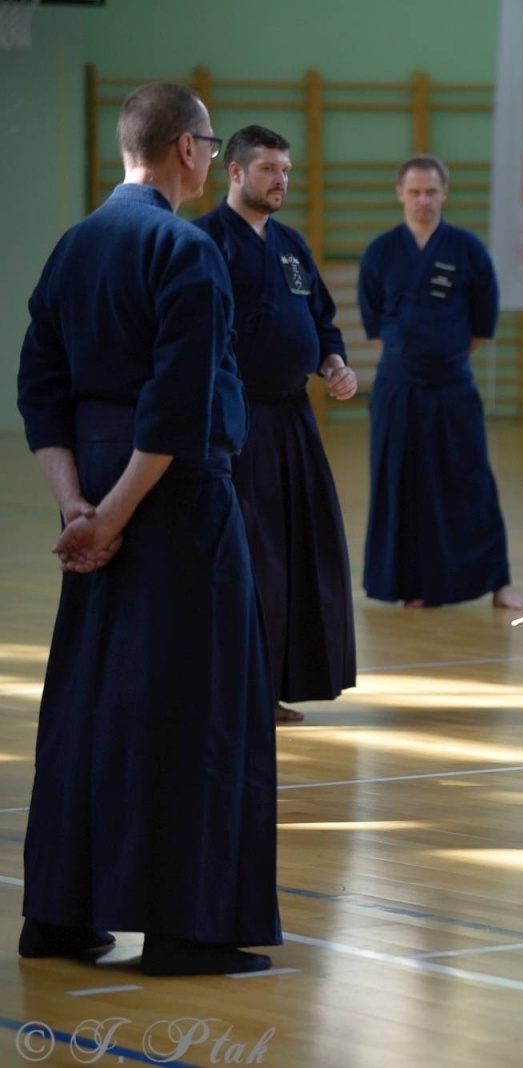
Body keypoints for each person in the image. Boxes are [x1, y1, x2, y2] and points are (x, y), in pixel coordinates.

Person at [15, 83, 280, 974]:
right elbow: (173, 415)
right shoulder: (186, 251)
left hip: (93, 504)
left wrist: (77, 510)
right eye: (206, 143)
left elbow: (40, 390)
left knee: (89, 705)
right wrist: (113, 519)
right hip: (175, 513)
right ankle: (185, 930)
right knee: (198, 713)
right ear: (190, 151)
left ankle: (59, 916)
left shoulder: (73, 245)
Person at [195, 125, 358, 725]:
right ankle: (235, 691)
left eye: (285, 169)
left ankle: (275, 684)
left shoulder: (291, 245)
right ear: (234, 172)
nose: (280, 179)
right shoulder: (205, 242)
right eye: (267, 169)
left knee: (298, 553)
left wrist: (333, 363)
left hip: (295, 422)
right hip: (236, 425)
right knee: (249, 557)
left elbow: (322, 322)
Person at [358, 155, 523, 610]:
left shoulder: (467, 250)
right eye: (414, 192)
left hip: (453, 384)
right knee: (400, 481)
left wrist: (443, 357)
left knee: (470, 478)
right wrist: (412, 359)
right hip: (397, 387)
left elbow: (481, 324)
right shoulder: (380, 253)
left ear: (444, 194)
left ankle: (498, 583)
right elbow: (374, 326)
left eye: (431, 192)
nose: (422, 201)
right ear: (400, 194)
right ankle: (410, 584)